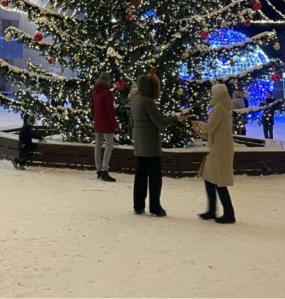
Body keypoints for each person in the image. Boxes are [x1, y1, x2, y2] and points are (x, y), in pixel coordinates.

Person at [130, 74, 185, 217]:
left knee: (140, 175)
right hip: (151, 144)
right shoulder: (148, 102)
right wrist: (175, 118)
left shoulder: (135, 101)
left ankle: (138, 205)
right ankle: (155, 207)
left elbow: (132, 123)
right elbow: (159, 121)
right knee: (155, 177)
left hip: (139, 144)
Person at [192, 83, 236, 224]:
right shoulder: (223, 108)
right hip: (219, 149)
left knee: (218, 181)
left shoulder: (219, 108)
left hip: (220, 151)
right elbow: (210, 132)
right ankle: (213, 210)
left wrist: (199, 123)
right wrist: (198, 130)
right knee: (210, 178)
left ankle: (228, 213)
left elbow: (210, 128)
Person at [90, 72, 117, 182]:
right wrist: (114, 122)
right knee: (109, 146)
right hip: (107, 123)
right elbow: (110, 110)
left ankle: (99, 169)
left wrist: (96, 118)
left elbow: (92, 108)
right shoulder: (108, 93)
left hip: (98, 122)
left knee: (98, 146)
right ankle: (105, 170)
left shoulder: (94, 92)